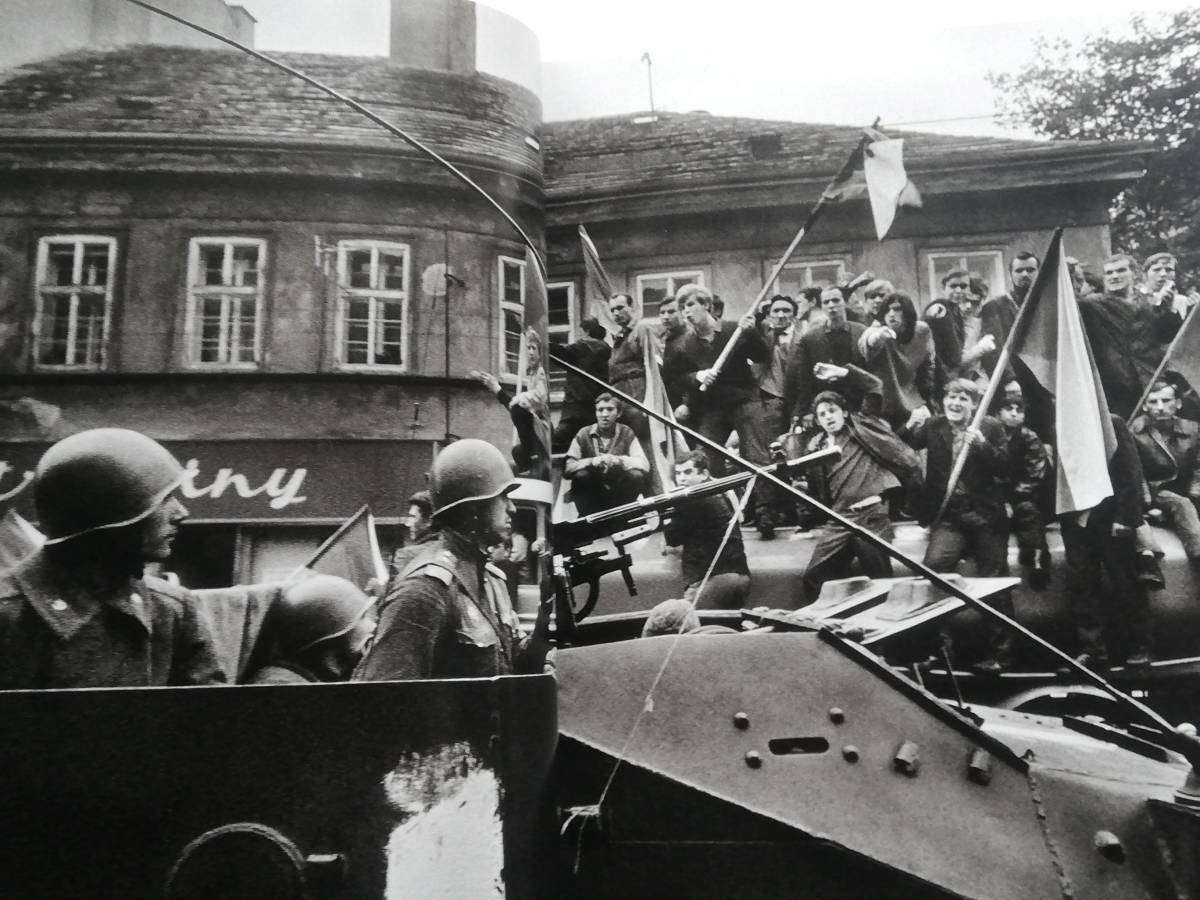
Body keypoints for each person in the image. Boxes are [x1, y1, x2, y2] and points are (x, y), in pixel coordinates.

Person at [0, 428, 226, 689]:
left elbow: (210, 719)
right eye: (163, 500)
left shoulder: (171, 609)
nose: (180, 513)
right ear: (108, 518)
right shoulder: (8, 615)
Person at [354, 439, 548, 680]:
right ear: (472, 509)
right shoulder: (423, 592)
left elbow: (514, 671)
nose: (512, 509)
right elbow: (386, 698)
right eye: (502, 498)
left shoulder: (491, 580)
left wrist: (545, 623)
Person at [904, 379, 1014, 673]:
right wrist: (910, 423)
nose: (956, 403)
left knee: (994, 581)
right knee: (932, 571)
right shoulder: (934, 426)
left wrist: (982, 446)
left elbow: (1006, 467)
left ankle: (1000, 655)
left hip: (985, 517)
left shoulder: (990, 427)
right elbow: (902, 445)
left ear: (974, 404)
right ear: (944, 400)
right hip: (949, 518)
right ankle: (941, 651)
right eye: (952, 397)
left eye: (963, 398)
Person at [798, 372, 923, 605]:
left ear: (844, 413)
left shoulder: (862, 426)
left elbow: (875, 385)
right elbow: (818, 492)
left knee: (881, 582)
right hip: (840, 520)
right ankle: (828, 630)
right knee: (813, 577)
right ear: (817, 421)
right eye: (822, 414)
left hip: (871, 516)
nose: (828, 417)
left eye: (832, 411)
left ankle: (885, 637)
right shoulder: (815, 448)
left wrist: (845, 372)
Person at [672, 284, 777, 536]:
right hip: (713, 408)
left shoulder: (733, 330)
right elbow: (676, 379)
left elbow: (762, 355)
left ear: (706, 305)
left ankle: (766, 514)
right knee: (704, 457)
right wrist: (697, 376)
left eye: (690, 305)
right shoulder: (684, 345)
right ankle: (716, 513)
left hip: (745, 399)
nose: (686, 312)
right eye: (682, 307)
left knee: (758, 455)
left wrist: (751, 332)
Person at [1061, 415, 1154, 669]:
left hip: (1111, 517)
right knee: (1082, 583)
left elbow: (1131, 472)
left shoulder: (1110, 422)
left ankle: (1139, 646)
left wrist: (1126, 517)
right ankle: (1092, 649)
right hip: (1076, 518)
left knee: (1125, 581)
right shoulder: (1062, 422)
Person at [1079, 253, 1183, 420]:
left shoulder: (1148, 301)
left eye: (1120, 270)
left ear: (1134, 273)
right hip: (1116, 384)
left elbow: (1167, 336)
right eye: (1109, 273)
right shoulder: (1092, 305)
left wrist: (1169, 309)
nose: (1114, 276)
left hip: (1151, 379)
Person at [662, 449, 751, 609]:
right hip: (738, 576)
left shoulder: (692, 499)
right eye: (678, 473)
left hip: (711, 580)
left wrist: (668, 513)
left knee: (688, 626)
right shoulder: (721, 490)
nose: (682, 478)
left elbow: (672, 539)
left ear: (703, 474)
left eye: (688, 472)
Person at [247, 575, 376, 684]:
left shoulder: (322, 678)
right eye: (362, 617)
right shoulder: (279, 683)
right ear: (333, 633)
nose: (372, 626)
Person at [1131, 380, 1200, 564]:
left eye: (1166, 400)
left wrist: (1196, 492)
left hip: (1187, 490)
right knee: (1182, 504)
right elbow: (1135, 473)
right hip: (1156, 492)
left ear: (1178, 403)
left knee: (1187, 500)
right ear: (1144, 406)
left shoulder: (1194, 430)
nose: (1160, 407)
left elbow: (1198, 467)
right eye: (1153, 402)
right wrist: (1147, 502)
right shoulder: (1134, 432)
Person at [470, 328, 552, 479]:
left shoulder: (541, 371)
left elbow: (540, 396)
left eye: (534, 348)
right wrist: (495, 388)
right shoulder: (533, 373)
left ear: (540, 352)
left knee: (517, 409)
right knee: (517, 452)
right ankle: (528, 459)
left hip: (544, 431)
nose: (531, 352)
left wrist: (519, 398)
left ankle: (531, 456)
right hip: (536, 427)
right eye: (528, 348)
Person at [784, 286, 868, 429]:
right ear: (822, 306)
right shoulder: (811, 338)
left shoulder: (861, 332)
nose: (831, 306)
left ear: (845, 303)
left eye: (836, 300)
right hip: (826, 407)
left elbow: (871, 372)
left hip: (858, 405)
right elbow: (804, 379)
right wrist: (808, 410)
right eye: (826, 302)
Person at [858, 291, 938, 431]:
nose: (891, 314)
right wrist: (878, 337)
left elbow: (929, 364)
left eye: (897, 309)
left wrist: (928, 400)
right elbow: (866, 343)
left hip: (915, 400)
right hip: (885, 405)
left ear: (907, 311)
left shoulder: (921, 330)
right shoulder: (878, 330)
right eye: (887, 310)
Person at [995, 395, 1051, 587]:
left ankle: (1037, 563)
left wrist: (1013, 500)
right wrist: (1000, 500)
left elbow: (1035, 474)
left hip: (1021, 497)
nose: (1013, 413)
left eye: (1019, 410)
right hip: (993, 498)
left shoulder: (1029, 437)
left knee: (1029, 516)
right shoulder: (989, 435)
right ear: (998, 413)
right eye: (1008, 409)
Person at [563, 393, 649, 515]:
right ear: (595, 413)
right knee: (581, 476)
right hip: (594, 494)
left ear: (618, 413)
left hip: (619, 495)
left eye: (610, 409)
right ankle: (588, 520)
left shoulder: (627, 432)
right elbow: (568, 468)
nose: (604, 414)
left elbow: (644, 464)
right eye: (600, 410)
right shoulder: (583, 433)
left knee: (636, 475)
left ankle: (622, 516)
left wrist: (619, 460)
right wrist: (591, 462)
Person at [551, 316, 611, 454]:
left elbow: (561, 352)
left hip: (576, 406)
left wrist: (540, 341)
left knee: (559, 442)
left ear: (587, 331)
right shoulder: (607, 349)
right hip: (595, 405)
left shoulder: (584, 346)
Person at [924, 269, 993, 383]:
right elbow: (954, 359)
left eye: (963, 286)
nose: (958, 290)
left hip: (945, 374)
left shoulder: (955, 313)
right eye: (953, 286)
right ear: (943, 289)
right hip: (935, 375)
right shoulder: (941, 307)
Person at [979, 252, 1040, 379]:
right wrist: (1008, 380)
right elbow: (994, 349)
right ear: (1010, 275)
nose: (1025, 274)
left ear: (1039, 272)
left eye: (1030, 270)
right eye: (1019, 270)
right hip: (1015, 380)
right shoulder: (995, 306)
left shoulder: (1048, 304)